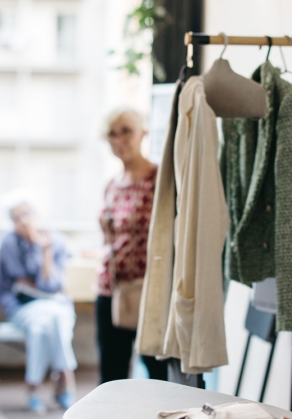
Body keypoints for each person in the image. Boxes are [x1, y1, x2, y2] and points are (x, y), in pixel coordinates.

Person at [96, 107, 167, 383]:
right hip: (110, 289)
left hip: (149, 291)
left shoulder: (159, 179)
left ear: (143, 133)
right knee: (111, 376)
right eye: (112, 134)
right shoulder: (111, 184)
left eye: (126, 131)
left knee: (159, 374)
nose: (119, 140)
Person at [0, 194, 77, 413]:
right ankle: (65, 381)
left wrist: (45, 251)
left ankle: (33, 387)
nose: (22, 220)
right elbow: (8, 278)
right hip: (22, 306)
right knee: (50, 318)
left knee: (46, 323)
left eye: (26, 214)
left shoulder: (55, 241)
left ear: (37, 215)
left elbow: (49, 284)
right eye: (15, 217)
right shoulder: (9, 242)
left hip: (56, 304)